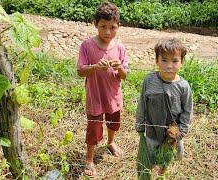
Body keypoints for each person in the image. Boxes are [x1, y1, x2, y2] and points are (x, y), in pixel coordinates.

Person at [76, 2, 128, 177]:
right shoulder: (87, 46)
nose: (107, 32)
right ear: (95, 24)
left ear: (118, 26)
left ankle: (111, 142)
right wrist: (95, 67)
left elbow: (124, 75)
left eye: (112, 27)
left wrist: (119, 67)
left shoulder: (120, 48)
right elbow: (80, 70)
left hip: (113, 96)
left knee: (114, 122)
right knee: (93, 128)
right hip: (95, 97)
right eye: (103, 27)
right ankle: (89, 159)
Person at [135, 37, 193, 177]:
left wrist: (182, 131)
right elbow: (142, 102)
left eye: (174, 61)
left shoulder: (183, 87)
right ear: (157, 61)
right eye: (164, 60)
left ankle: (161, 174)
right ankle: (147, 173)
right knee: (149, 157)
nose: (169, 65)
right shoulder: (149, 81)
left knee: (166, 156)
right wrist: (140, 123)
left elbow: (187, 110)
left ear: (182, 62)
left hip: (172, 133)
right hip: (152, 130)